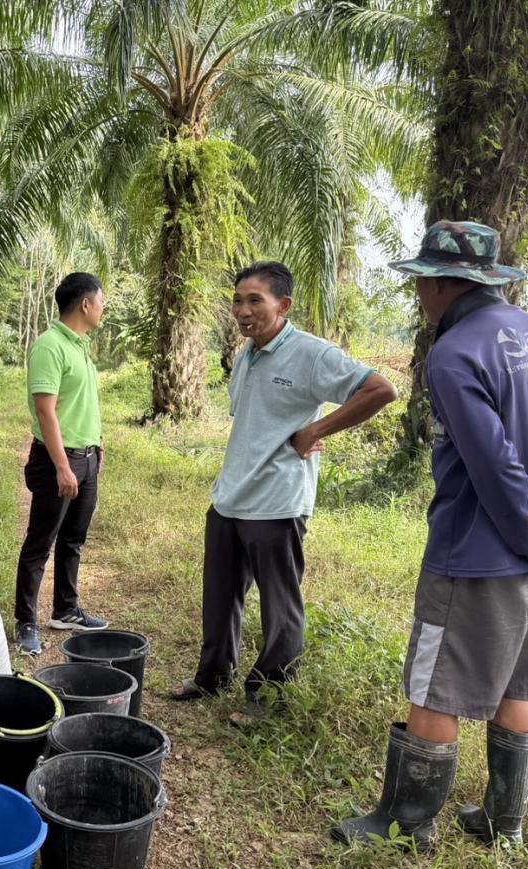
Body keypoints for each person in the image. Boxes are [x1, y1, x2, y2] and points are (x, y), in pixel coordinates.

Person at [332, 221, 528, 850]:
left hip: (475, 558)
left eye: (421, 284)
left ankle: (405, 824)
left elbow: (493, 463)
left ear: (436, 285)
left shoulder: (455, 355)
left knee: (435, 687)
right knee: (518, 683)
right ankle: (504, 824)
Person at [169, 262, 397, 710]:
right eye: (237, 300)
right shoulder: (246, 354)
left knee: (280, 608)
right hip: (231, 497)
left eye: (256, 300)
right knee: (219, 598)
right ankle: (213, 677)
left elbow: (379, 390)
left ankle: (267, 695)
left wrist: (315, 431)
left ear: (284, 305)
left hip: (277, 502)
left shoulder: (311, 354)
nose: (243, 310)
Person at [13, 272, 110, 656]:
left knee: (74, 539)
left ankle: (65, 610)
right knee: (41, 542)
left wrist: (96, 446)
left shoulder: (81, 346)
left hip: (87, 458)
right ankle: (25, 622)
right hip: (60, 460)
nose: (103, 308)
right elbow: (46, 411)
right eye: (101, 301)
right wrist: (62, 467)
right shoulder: (50, 346)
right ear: (85, 304)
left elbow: (80, 405)